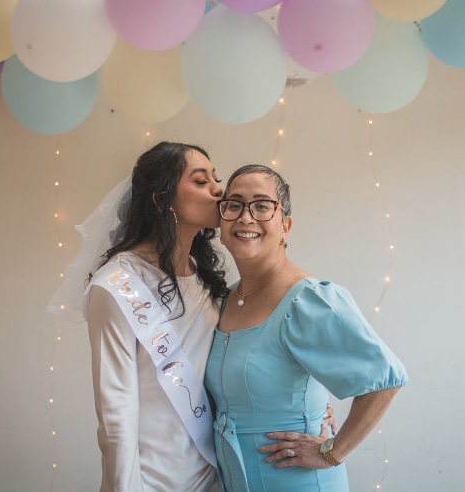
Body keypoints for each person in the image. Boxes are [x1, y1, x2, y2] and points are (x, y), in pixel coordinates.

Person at [204, 164, 408, 492]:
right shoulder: (224, 300)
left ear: (285, 226)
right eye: (234, 205)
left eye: (261, 205)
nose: (246, 217)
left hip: (297, 482)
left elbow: (385, 380)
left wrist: (333, 451)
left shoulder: (309, 300)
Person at [49, 141, 228, 491]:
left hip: (212, 472)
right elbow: (116, 412)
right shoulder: (116, 285)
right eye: (201, 180)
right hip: (152, 478)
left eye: (216, 179)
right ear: (161, 199)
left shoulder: (207, 277)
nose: (218, 189)